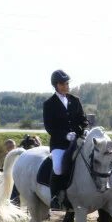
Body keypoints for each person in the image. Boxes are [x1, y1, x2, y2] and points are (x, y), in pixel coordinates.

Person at [43, 69, 88, 209]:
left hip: (78, 141)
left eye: (67, 83)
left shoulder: (75, 100)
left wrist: (83, 130)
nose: (65, 86)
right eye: (62, 84)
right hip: (59, 144)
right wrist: (65, 135)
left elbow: (84, 120)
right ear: (55, 85)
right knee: (57, 167)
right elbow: (49, 127)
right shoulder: (49, 104)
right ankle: (55, 197)